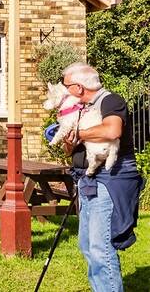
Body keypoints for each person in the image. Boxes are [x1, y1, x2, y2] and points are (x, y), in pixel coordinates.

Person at [62, 63, 143, 292]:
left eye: (66, 85)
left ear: (78, 87)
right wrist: (70, 141)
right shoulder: (81, 108)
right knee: (87, 245)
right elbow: (71, 149)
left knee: (101, 247)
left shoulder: (110, 101)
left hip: (109, 178)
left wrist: (78, 133)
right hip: (88, 179)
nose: (65, 91)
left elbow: (112, 131)